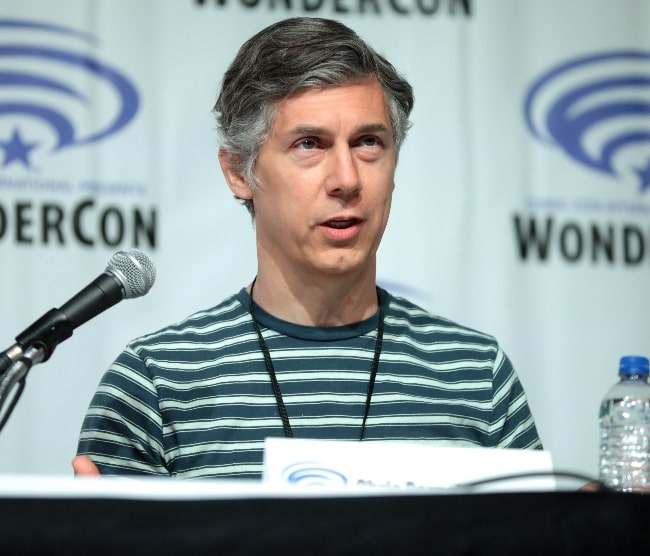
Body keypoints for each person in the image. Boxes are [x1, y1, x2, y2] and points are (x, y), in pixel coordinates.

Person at [73, 16, 542, 478]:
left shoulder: (476, 375)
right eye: (309, 144)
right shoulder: (157, 381)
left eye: (368, 142)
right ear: (240, 172)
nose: (346, 179)